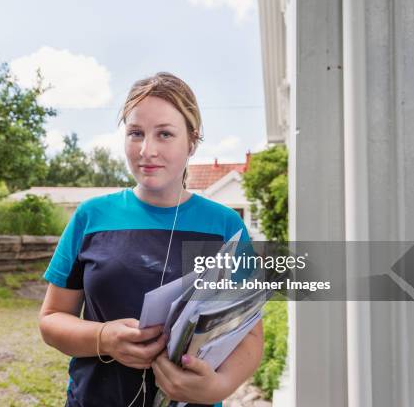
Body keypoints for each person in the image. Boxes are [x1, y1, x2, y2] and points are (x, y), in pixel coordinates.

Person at [39, 72, 264, 407]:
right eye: (136, 133)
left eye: (165, 134)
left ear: (192, 140)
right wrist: (104, 338)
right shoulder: (91, 217)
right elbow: (51, 320)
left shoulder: (224, 227)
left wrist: (218, 387)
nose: (147, 150)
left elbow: (249, 334)